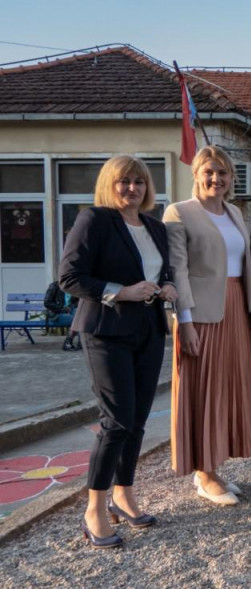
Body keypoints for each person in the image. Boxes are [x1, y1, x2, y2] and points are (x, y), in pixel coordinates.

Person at [59, 156, 177, 548]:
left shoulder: (155, 227)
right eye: (124, 181)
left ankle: (124, 495)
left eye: (139, 182)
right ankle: (94, 508)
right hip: (106, 331)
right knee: (116, 421)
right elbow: (69, 277)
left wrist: (169, 286)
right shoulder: (94, 220)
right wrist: (122, 292)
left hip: (149, 330)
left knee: (138, 420)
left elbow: (161, 271)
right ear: (109, 184)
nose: (132, 188)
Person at [163, 145, 251, 506]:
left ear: (231, 177)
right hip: (200, 314)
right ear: (196, 175)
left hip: (235, 307)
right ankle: (203, 473)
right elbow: (177, 270)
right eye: (209, 172)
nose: (216, 179)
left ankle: (214, 465)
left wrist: (250, 313)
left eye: (222, 172)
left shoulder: (234, 212)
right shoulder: (179, 212)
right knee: (203, 391)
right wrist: (184, 322)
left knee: (227, 389)